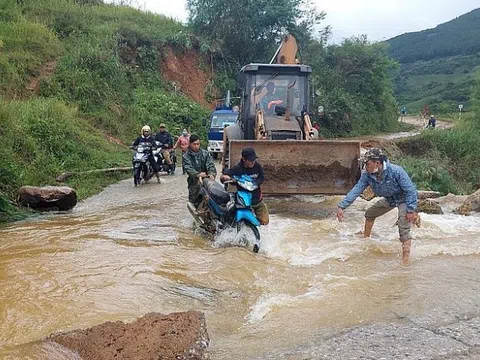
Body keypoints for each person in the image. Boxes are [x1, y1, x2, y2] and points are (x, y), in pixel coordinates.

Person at [336, 148, 418, 265]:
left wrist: (410, 210)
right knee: (370, 213)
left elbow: (410, 191)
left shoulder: (396, 171)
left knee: (403, 226)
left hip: (404, 199)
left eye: (367, 164)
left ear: (377, 163)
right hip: (390, 199)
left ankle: (405, 261)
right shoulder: (367, 175)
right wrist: (342, 206)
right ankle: (366, 237)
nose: (365, 167)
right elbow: (357, 189)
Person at [220, 147, 269, 225]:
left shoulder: (257, 166)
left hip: (257, 200)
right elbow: (225, 176)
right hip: (243, 201)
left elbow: (262, 177)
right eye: (250, 160)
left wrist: (256, 183)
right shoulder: (237, 168)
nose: (253, 162)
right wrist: (226, 177)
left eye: (254, 160)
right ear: (244, 159)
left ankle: (251, 225)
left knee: (265, 221)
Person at [183, 135, 217, 207]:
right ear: (190, 144)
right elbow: (188, 168)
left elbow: (211, 165)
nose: (196, 146)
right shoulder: (186, 156)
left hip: (207, 180)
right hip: (194, 182)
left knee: (213, 200)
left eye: (198, 144)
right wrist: (198, 174)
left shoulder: (205, 154)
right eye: (194, 144)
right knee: (194, 202)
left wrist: (212, 174)